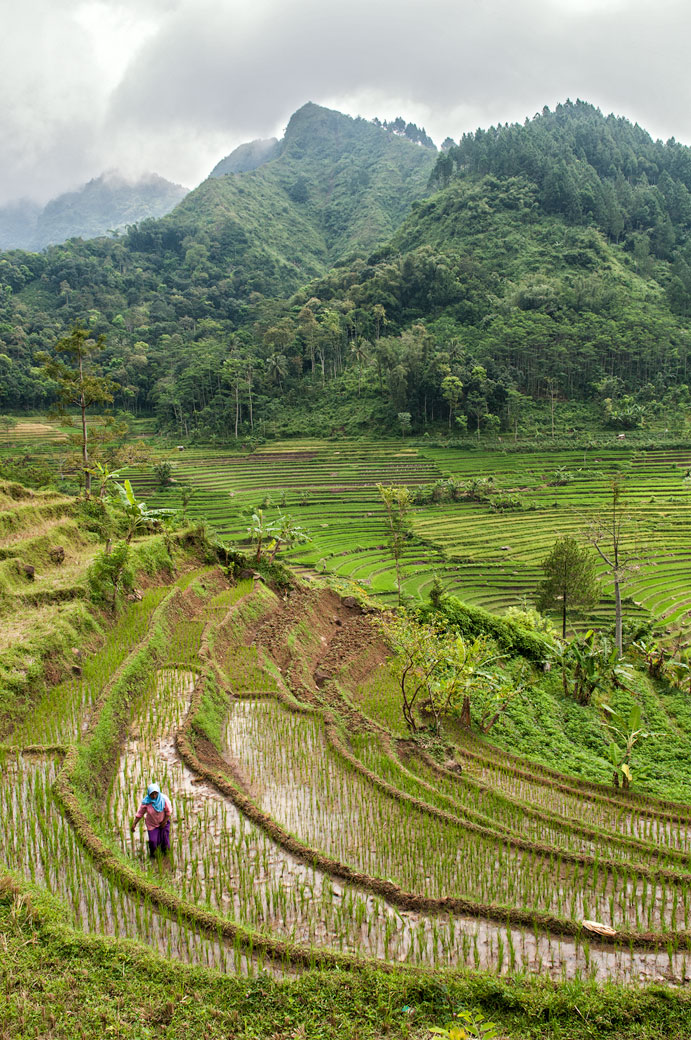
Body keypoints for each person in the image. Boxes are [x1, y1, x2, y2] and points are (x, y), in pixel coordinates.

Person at [131, 782, 172, 858]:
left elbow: (168, 812)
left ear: (158, 793)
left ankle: (166, 858)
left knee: (165, 842)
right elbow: (140, 814)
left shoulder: (164, 800)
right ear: (148, 794)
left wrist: (164, 822)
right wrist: (134, 824)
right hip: (152, 824)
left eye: (155, 794)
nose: (154, 796)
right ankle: (153, 857)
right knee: (153, 842)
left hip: (164, 822)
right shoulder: (146, 802)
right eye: (152, 794)